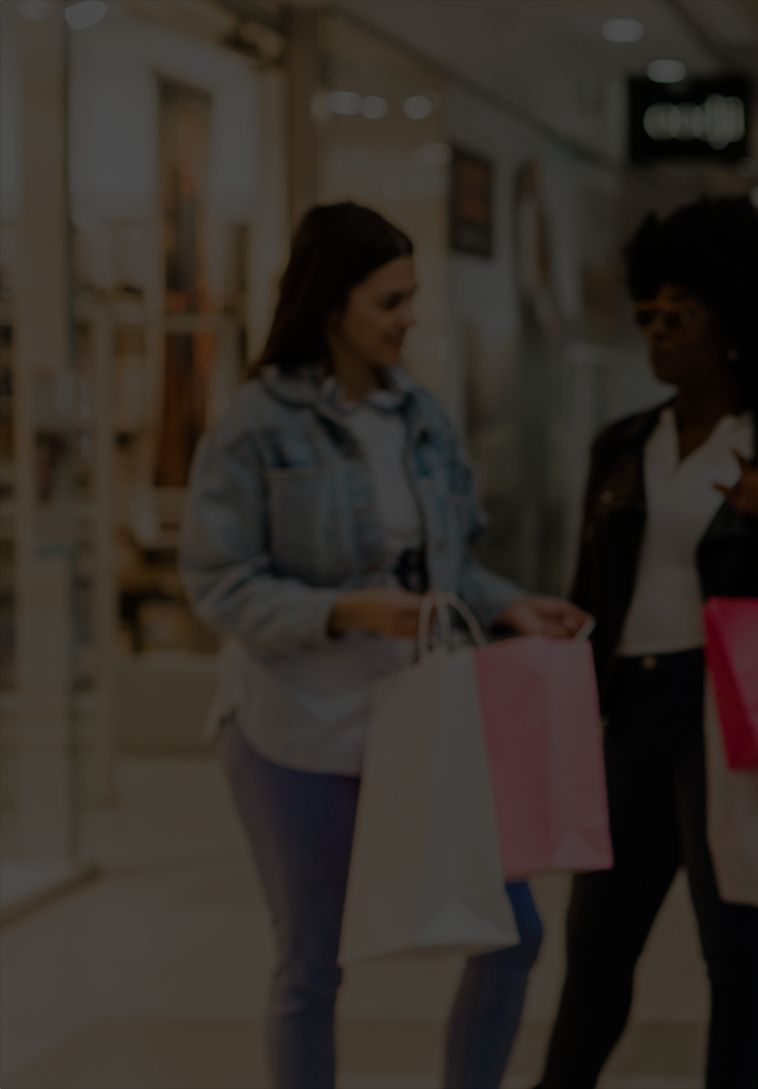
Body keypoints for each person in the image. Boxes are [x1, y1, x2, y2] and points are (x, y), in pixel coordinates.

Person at [180, 202, 588, 1089]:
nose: (408, 318)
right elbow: (220, 582)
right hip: (292, 725)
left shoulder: (421, 416)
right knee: (312, 962)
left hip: (416, 714)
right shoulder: (254, 423)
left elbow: (451, 565)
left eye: (411, 298)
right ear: (331, 304)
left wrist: (512, 606)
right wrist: (347, 611)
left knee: (513, 932)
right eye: (389, 301)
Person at [539, 197, 758, 1089]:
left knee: (735, 943)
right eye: (648, 313)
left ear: (737, 325)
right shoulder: (621, 445)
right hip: (632, 710)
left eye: (680, 314)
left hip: (726, 718)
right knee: (596, 938)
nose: (657, 331)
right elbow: (590, 585)